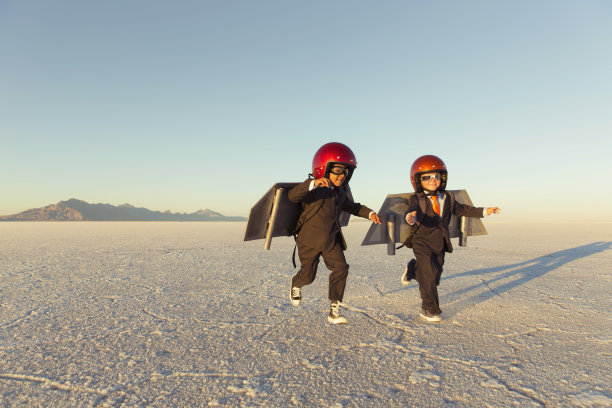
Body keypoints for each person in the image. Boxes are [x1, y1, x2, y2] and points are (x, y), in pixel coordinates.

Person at [288, 142, 382, 324]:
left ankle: (334, 309)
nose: (342, 175)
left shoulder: (340, 193)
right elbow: (293, 196)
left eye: (346, 172)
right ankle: (296, 283)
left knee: (341, 268)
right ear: (324, 168)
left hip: (331, 240)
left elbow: (352, 207)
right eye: (338, 170)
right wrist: (313, 183)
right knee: (308, 276)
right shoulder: (313, 190)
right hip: (309, 241)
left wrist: (369, 213)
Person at [400, 155, 501, 322]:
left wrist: (484, 211)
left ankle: (413, 269)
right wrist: (409, 217)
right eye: (427, 177)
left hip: (440, 243)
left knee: (435, 275)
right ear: (418, 180)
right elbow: (411, 210)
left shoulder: (448, 197)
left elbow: (463, 210)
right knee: (429, 276)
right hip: (422, 242)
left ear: (442, 178)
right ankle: (428, 309)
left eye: (436, 176)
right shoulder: (417, 199)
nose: (433, 180)